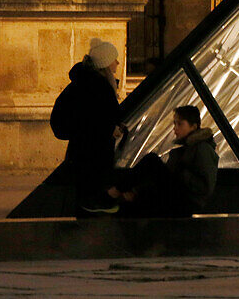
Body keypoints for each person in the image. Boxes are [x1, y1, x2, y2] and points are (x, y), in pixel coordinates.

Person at [49, 38, 125, 214]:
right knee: (89, 205)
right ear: (106, 63)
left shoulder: (85, 83)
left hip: (81, 153)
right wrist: (110, 129)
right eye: (114, 58)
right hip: (91, 157)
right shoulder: (98, 86)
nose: (117, 63)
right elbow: (95, 118)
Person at [110, 105, 219, 218]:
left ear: (194, 126)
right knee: (127, 208)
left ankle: (113, 192)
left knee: (152, 160)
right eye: (174, 123)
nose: (175, 128)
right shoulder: (186, 149)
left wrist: (181, 171)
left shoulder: (202, 148)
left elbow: (205, 186)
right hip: (179, 198)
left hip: (186, 201)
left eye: (180, 124)